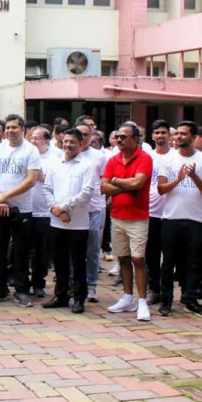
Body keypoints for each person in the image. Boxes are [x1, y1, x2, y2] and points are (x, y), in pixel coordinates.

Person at [156, 121, 202, 318]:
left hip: (196, 219)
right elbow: (161, 189)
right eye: (177, 134)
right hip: (171, 218)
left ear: (194, 136)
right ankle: (166, 300)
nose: (178, 137)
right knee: (168, 262)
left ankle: (190, 298)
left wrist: (194, 176)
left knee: (193, 262)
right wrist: (178, 179)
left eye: (183, 134)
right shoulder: (168, 159)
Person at [0, 114, 40, 306]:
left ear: (23, 129)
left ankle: (21, 290)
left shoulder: (31, 151)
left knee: (21, 251)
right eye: (7, 127)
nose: (10, 131)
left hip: (22, 209)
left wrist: (5, 196)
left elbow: (31, 180)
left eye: (14, 127)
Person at [101, 124, 153, 322]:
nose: (119, 140)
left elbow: (138, 183)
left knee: (138, 259)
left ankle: (142, 302)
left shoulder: (144, 158)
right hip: (117, 215)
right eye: (117, 137)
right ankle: (127, 297)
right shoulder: (113, 159)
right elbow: (103, 187)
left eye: (124, 137)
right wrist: (125, 185)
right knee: (122, 258)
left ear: (136, 139)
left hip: (138, 217)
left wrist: (115, 180)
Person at [42, 129, 96, 314]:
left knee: (78, 262)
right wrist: (55, 210)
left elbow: (86, 193)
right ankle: (61, 295)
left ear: (80, 143)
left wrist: (64, 207)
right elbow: (47, 188)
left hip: (78, 223)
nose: (68, 145)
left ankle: (79, 298)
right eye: (65, 141)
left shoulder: (87, 165)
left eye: (72, 142)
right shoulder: (55, 164)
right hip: (56, 222)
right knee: (60, 261)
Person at [75, 123, 107, 303]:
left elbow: (105, 180)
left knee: (92, 249)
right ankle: (74, 284)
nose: (83, 138)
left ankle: (92, 284)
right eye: (79, 134)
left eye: (86, 135)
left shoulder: (99, 157)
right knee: (72, 249)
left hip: (94, 208)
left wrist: (105, 201)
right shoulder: (68, 154)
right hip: (72, 210)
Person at [29, 127, 59, 294]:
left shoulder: (55, 158)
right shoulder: (26, 154)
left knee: (41, 252)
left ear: (47, 141)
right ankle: (20, 283)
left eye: (37, 138)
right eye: (32, 138)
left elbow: (57, 184)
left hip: (44, 212)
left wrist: (41, 176)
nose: (33, 141)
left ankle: (38, 284)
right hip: (24, 209)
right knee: (21, 249)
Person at [145, 120, 172, 304]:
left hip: (171, 214)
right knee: (151, 255)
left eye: (163, 132)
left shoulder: (176, 157)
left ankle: (168, 293)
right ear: (152, 136)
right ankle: (153, 290)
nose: (160, 136)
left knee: (170, 257)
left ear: (169, 135)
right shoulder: (146, 157)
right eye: (157, 133)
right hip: (150, 213)